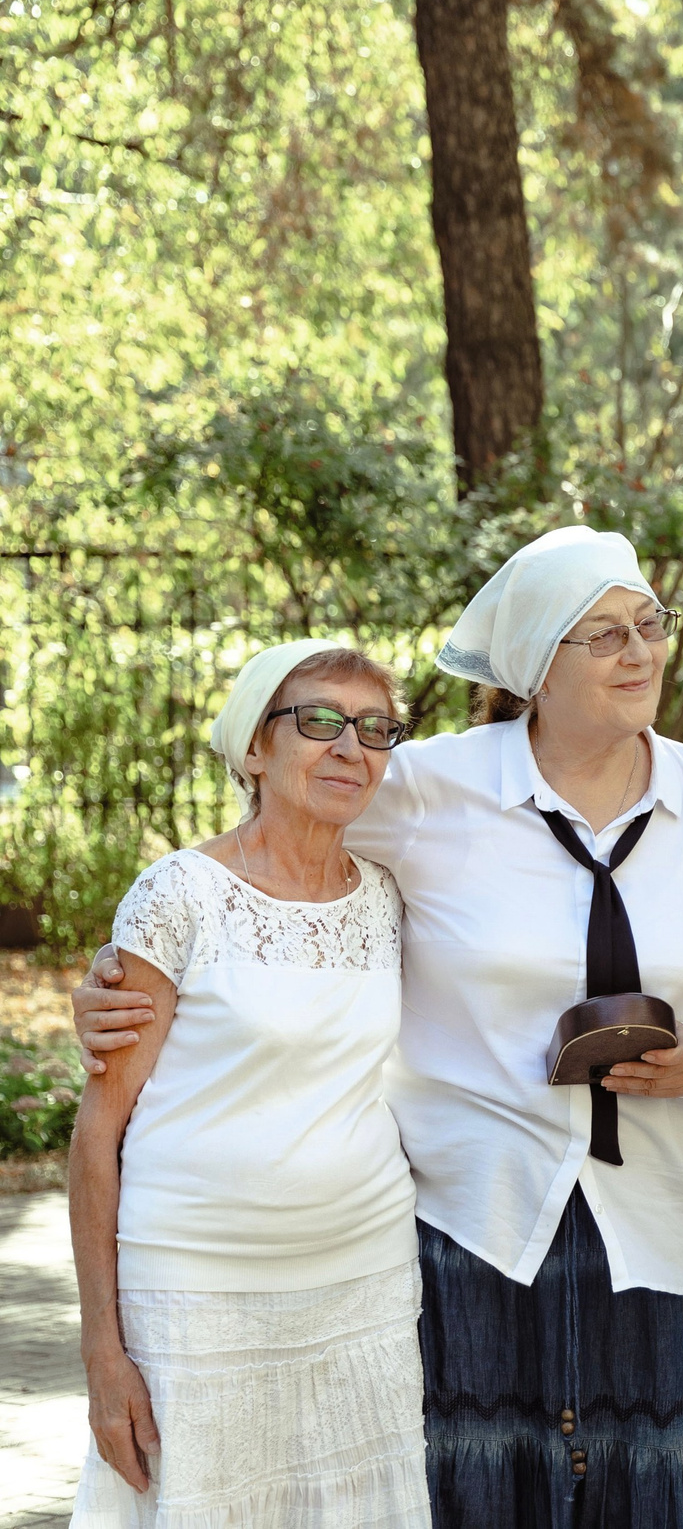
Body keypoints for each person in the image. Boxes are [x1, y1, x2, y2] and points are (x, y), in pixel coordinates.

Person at [79, 526, 683, 1527]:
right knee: (481, 1492)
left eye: (647, 625)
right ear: (540, 667)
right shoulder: (427, 788)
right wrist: (121, 975)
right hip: (480, 1224)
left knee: (665, 1488)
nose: (639, 652)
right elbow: (258, 871)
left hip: (673, 1221)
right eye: (603, 635)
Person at [69, 640, 427, 1529]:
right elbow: (97, 1134)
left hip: (362, 1285)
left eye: (377, 728)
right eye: (319, 720)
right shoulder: (178, 895)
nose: (351, 746)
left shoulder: (387, 896)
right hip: (196, 1294)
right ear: (254, 748)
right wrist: (102, 1352)